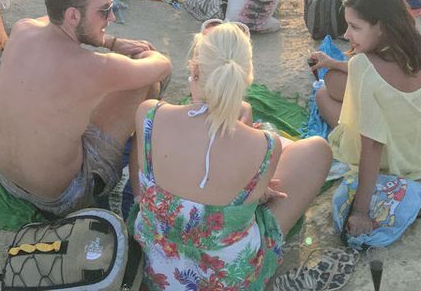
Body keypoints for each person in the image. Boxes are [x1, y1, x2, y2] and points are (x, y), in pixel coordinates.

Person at [129, 21, 330, 290]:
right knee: (317, 150)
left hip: (158, 269)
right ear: (246, 76)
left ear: (195, 69)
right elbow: (258, 199)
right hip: (226, 281)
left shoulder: (149, 114)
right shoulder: (266, 146)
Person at [0, 0, 170, 217]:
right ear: (73, 16)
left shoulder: (22, 29)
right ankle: (136, 178)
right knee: (146, 84)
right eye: (104, 11)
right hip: (61, 198)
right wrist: (141, 53)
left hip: (6, 179)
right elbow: (162, 66)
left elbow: (52, 19)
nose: (112, 17)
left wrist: (110, 42)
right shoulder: (95, 67)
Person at [308, 0, 421, 240]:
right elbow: (376, 71)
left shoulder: (363, 66)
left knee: (323, 93)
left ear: (381, 27)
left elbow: (373, 145)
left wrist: (361, 211)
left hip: (395, 158)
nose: (347, 34)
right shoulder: (417, 46)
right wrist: (334, 63)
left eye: (355, 27)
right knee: (336, 78)